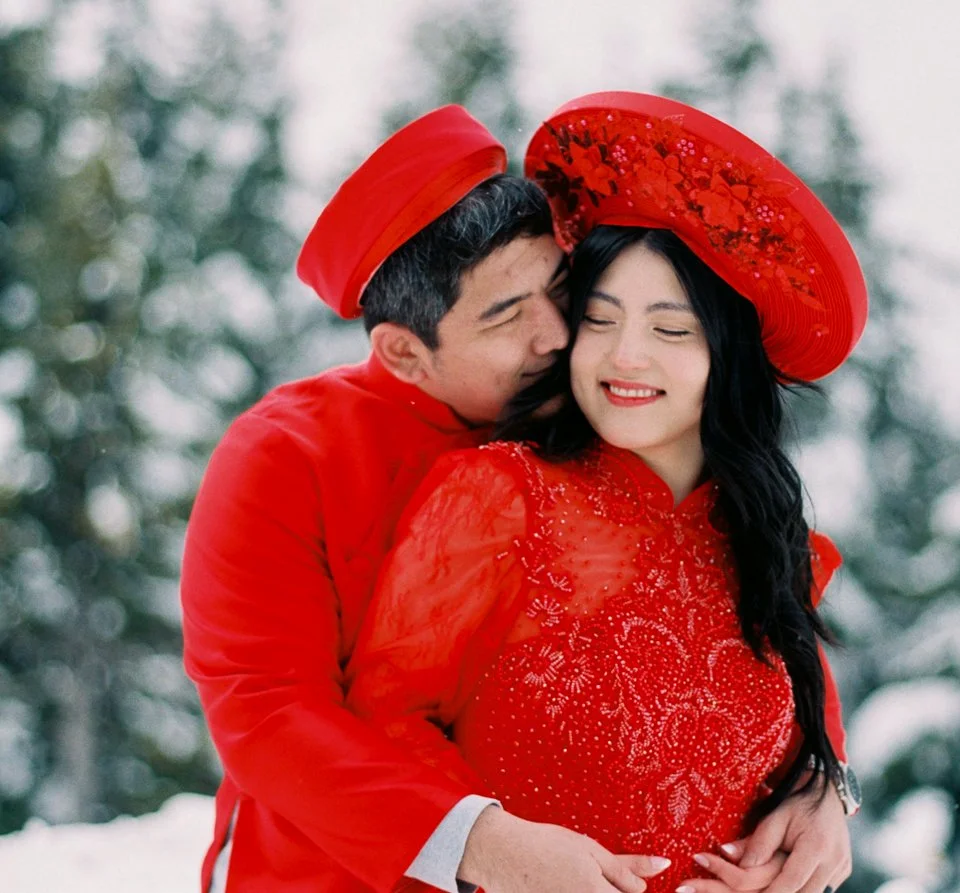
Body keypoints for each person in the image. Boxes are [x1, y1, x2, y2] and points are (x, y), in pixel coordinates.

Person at [345, 92, 869, 893]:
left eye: (670, 329)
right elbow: (381, 722)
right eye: (599, 318)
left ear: (725, 356)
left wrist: (828, 799)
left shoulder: (766, 541)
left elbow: (802, 751)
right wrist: (492, 844)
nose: (626, 357)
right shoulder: (497, 494)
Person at [180, 105, 575, 892]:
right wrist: (481, 841)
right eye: (506, 316)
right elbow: (267, 712)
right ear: (404, 352)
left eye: (561, 289)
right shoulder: (283, 456)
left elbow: (722, 585)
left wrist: (820, 775)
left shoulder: (594, 408)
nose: (557, 336)